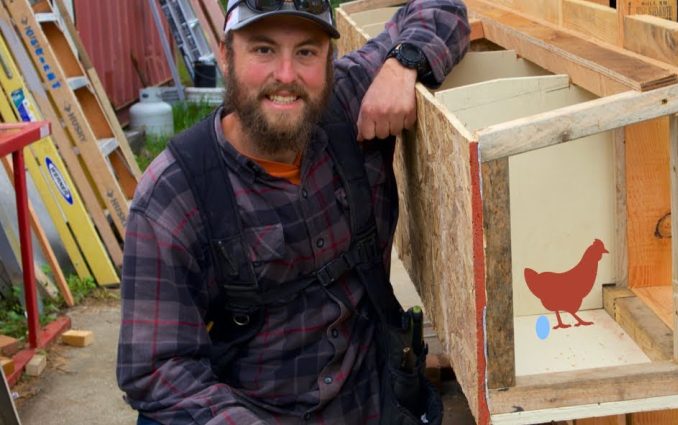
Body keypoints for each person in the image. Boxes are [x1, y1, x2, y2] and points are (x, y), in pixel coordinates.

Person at [116, 0, 469, 423]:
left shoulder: (349, 99)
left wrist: (402, 64)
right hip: (251, 410)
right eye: (263, 50)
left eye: (306, 52)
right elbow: (156, 369)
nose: (286, 76)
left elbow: (442, 7)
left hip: (370, 402)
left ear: (328, 60)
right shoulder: (173, 194)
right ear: (226, 56)